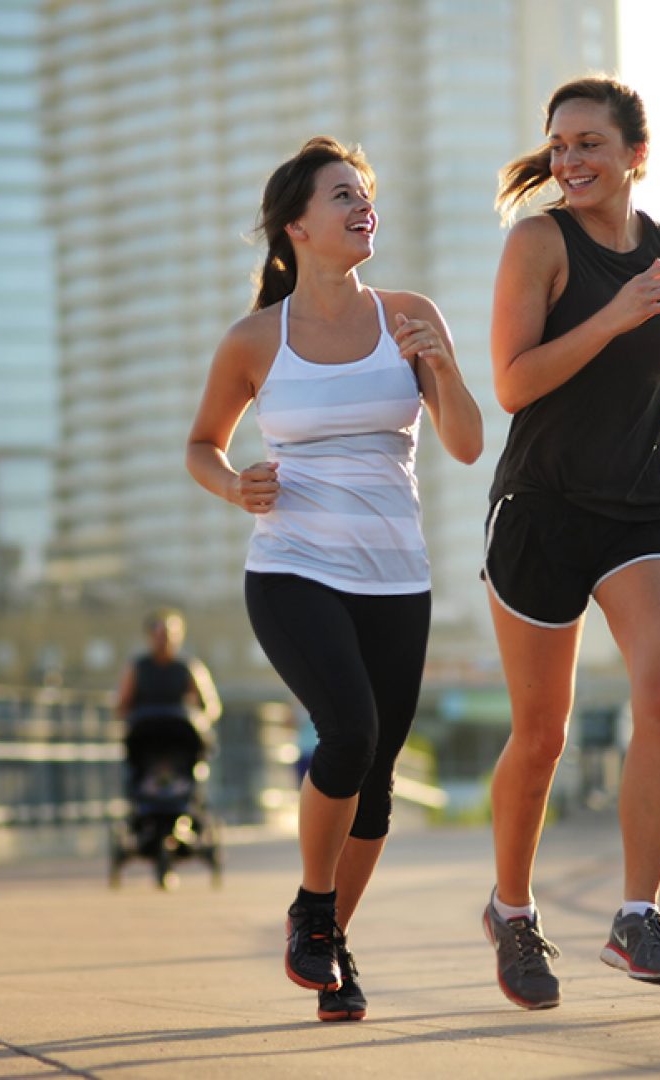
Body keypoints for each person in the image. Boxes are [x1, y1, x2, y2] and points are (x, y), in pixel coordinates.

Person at [186, 136, 484, 1023]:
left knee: (377, 780)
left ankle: (330, 950)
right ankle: (314, 912)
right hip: (292, 569)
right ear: (296, 227)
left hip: (396, 578)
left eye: (366, 193)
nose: (362, 206)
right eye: (341, 195)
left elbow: (465, 444)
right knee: (347, 731)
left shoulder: (408, 315)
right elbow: (201, 445)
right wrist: (236, 482)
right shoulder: (254, 339)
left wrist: (443, 362)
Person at [478, 75, 660, 1011]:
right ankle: (512, 909)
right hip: (543, 505)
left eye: (589, 145)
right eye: (558, 145)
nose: (568, 162)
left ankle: (637, 912)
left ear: (634, 157)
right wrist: (614, 319)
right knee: (542, 735)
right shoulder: (537, 243)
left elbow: (655, 352)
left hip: (641, 503)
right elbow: (514, 383)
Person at [114, 608, 221, 800]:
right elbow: (122, 705)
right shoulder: (137, 667)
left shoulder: (188, 667)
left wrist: (200, 721)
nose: (163, 640)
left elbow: (210, 706)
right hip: (147, 734)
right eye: (158, 634)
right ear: (149, 636)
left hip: (179, 734)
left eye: (168, 635)